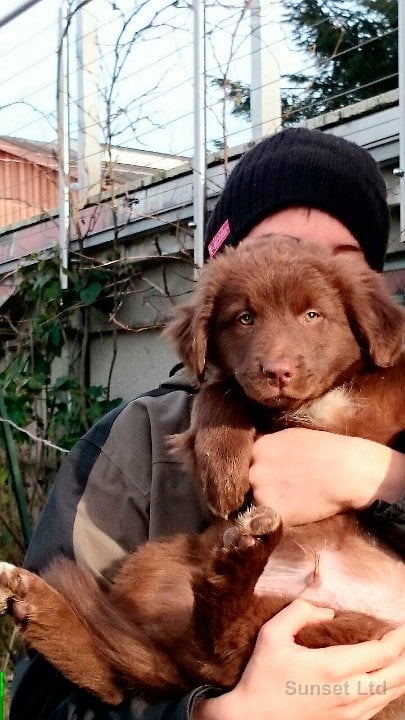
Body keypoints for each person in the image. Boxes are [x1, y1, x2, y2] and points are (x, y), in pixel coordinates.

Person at [10, 127, 405, 720]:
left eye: (337, 262)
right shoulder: (134, 443)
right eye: (276, 248)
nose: (280, 356)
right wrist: (216, 715)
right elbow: (44, 702)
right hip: (217, 648)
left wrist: (379, 477)